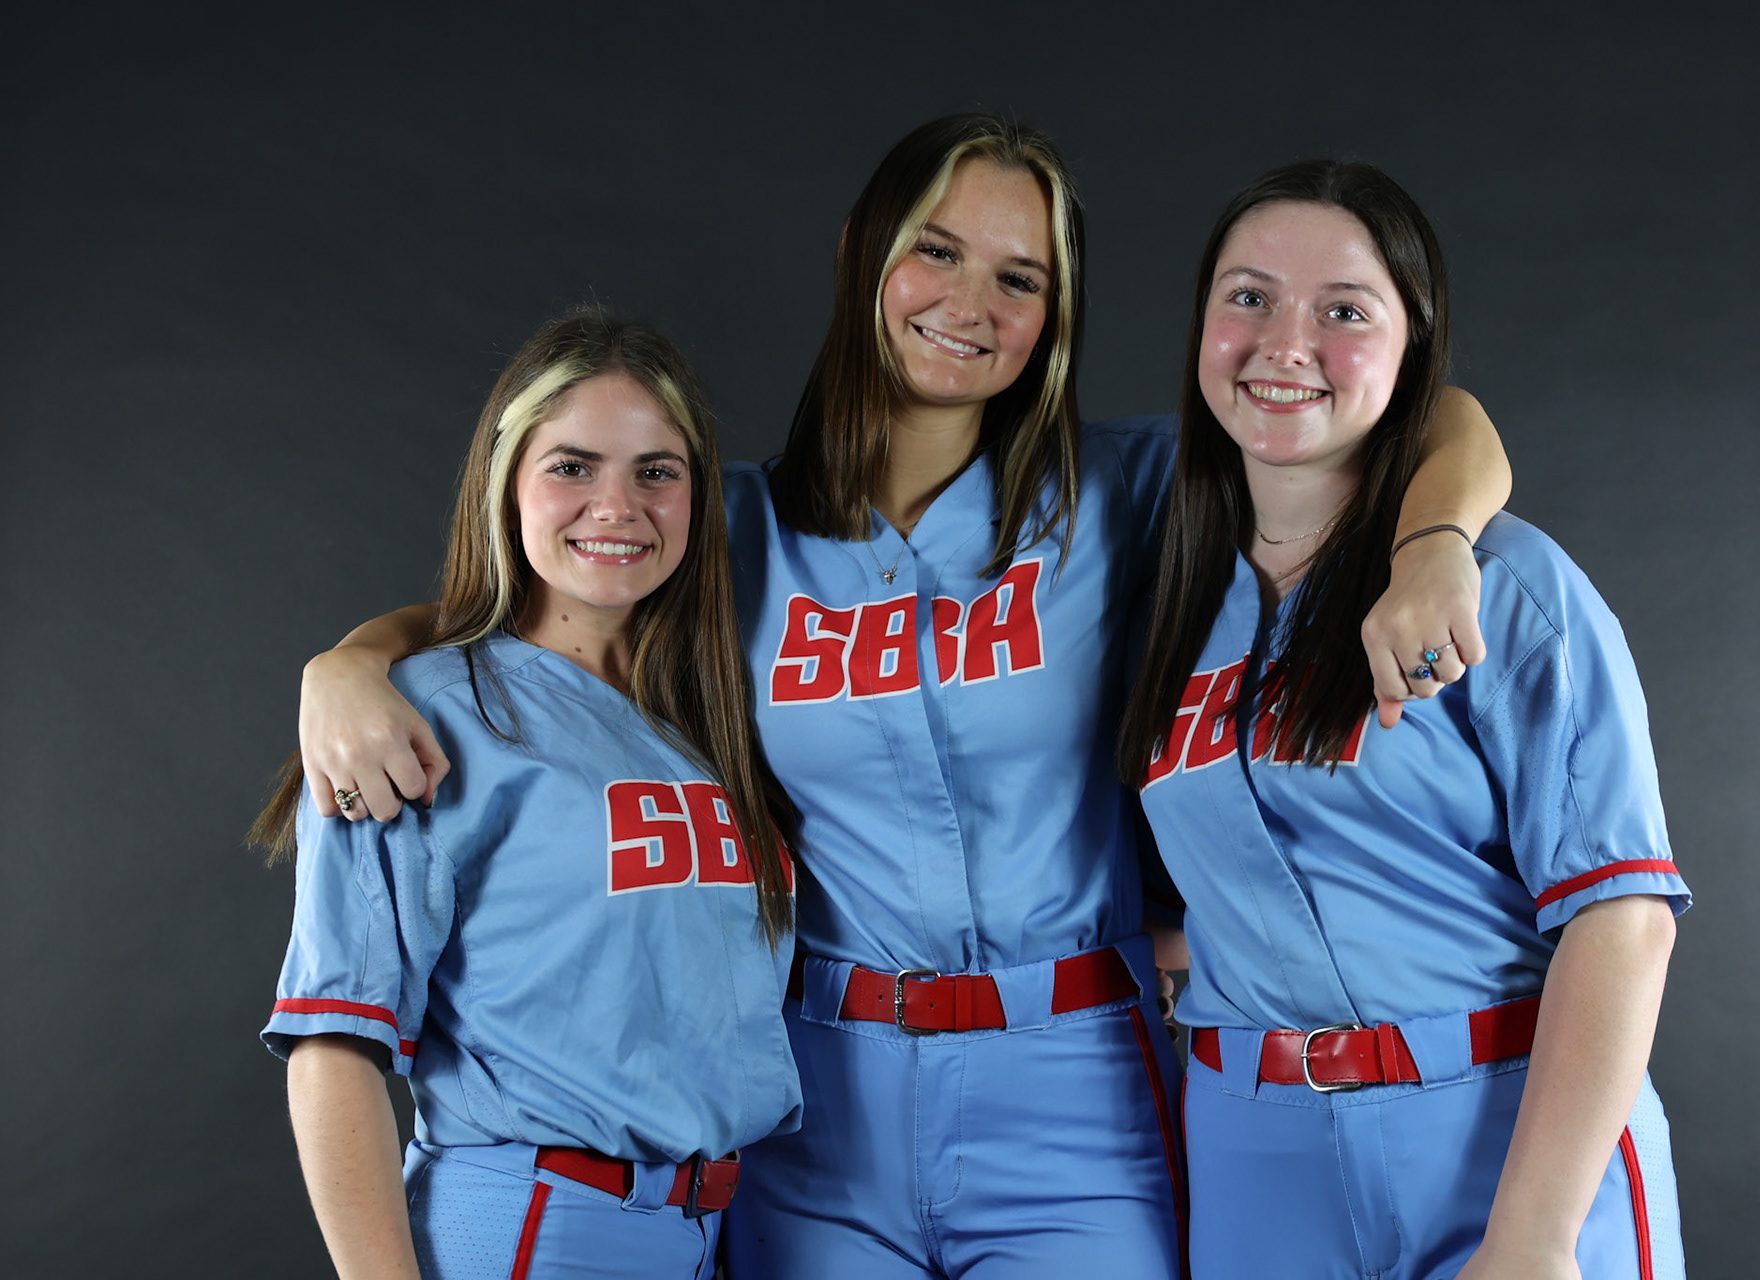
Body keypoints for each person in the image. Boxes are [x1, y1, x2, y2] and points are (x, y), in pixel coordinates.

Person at [292, 115, 1513, 1279]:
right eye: (935, 250)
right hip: (827, 1095)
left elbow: (1428, 414)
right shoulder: (728, 526)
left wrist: (1438, 540)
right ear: (862, 254)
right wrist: (350, 661)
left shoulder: (1127, 491)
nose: (971, 304)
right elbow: (528, 605)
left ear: (1057, 313)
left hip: (1075, 1077)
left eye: (1020, 277)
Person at [1119, 160, 1688, 1279]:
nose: (1286, 343)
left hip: (1500, 1136)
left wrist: (1532, 1237)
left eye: (1344, 311)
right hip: (1257, 1158)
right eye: (1248, 296)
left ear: (1412, 349)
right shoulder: (1157, 592)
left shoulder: (1503, 582)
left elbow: (1624, 918)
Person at [256, 311, 803, 1280]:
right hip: (538, 1224)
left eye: (656, 471)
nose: (617, 504)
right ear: (505, 483)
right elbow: (333, 1044)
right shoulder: (413, 713)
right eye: (572, 466)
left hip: (714, 1223)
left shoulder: (709, 710)